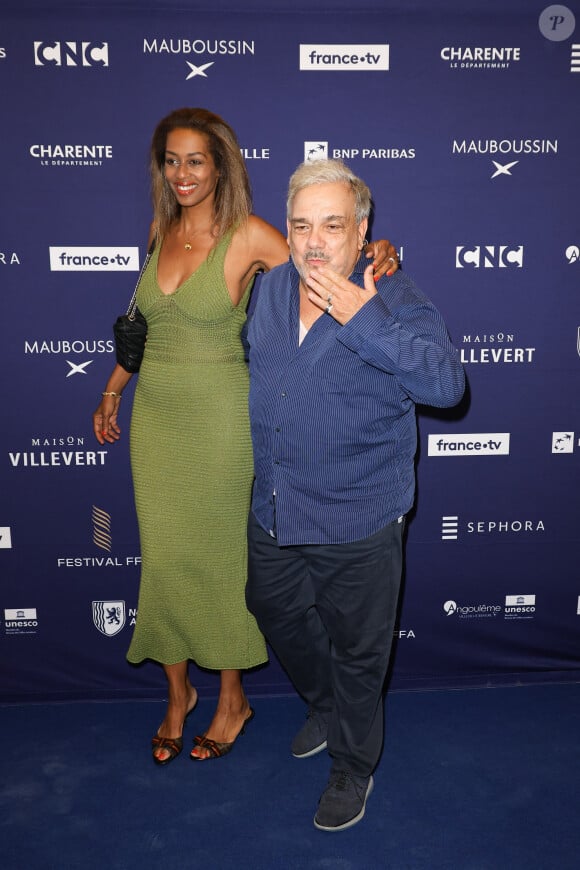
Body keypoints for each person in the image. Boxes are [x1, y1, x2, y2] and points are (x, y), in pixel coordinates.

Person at [92, 109, 399, 765]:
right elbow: (148, 331)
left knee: (222, 564)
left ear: (221, 165)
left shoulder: (252, 235)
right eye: (171, 161)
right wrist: (113, 387)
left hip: (222, 420)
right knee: (165, 561)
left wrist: (375, 252)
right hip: (158, 418)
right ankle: (178, 698)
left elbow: (325, 268)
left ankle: (232, 698)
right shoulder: (159, 230)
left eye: (195, 160)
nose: (182, 174)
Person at [245, 158, 465, 830]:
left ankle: (352, 767)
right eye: (302, 225)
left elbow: (446, 386)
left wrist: (366, 317)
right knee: (273, 610)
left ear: (362, 230)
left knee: (360, 652)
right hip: (277, 508)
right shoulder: (271, 289)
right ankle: (326, 701)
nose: (315, 242)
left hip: (360, 519)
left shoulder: (395, 298)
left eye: (333, 225)